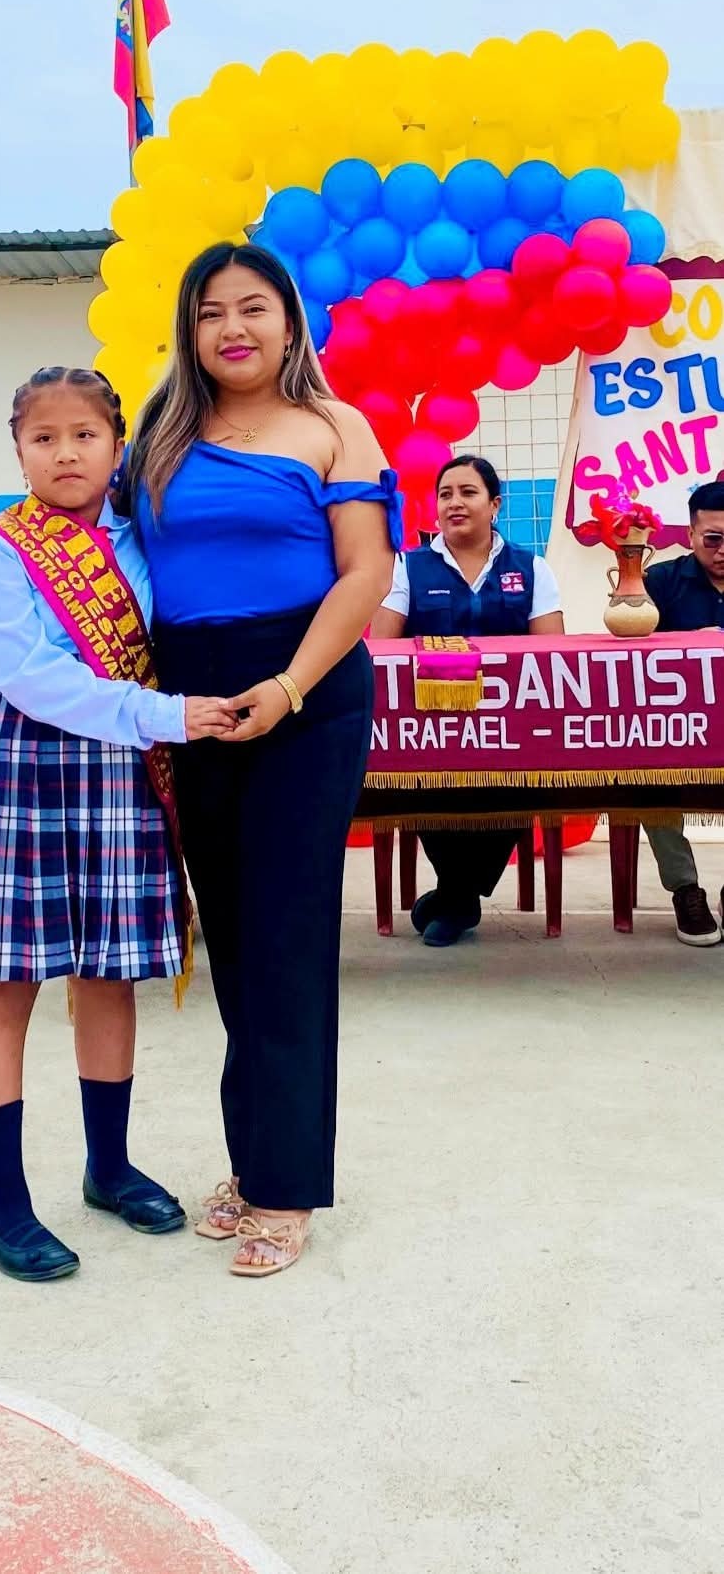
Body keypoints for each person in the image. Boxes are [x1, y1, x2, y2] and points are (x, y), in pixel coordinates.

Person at [0, 365, 236, 1284]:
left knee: (107, 972)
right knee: (5, 982)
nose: (64, 453)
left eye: (84, 435)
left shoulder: (141, 539)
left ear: (116, 445)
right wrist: (168, 717)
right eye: (42, 438)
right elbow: (35, 678)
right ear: (17, 451)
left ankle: (108, 1166)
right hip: (22, 764)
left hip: (117, 768)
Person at [126, 240, 399, 1277]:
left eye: (252, 307)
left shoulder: (334, 425)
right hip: (190, 697)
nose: (231, 327)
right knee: (234, 940)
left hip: (306, 689)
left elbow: (365, 570)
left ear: (288, 320)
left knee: (286, 937)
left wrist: (287, 687)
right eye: (209, 312)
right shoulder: (160, 432)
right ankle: (253, 1160)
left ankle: (285, 1187)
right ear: (188, 331)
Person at [371, 455, 564, 947]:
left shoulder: (533, 568)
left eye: (468, 492)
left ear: (495, 504)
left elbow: (550, 652)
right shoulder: (406, 567)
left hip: (511, 727)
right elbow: (382, 649)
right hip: (430, 725)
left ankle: (455, 897)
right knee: (421, 784)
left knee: (528, 777)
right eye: (445, 494)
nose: (454, 503)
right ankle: (459, 897)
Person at [639, 480, 724, 946]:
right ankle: (685, 889)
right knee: (647, 781)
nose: (723, 550)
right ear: (690, 535)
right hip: (675, 728)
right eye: (713, 539)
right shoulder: (659, 582)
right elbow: (629, 657)